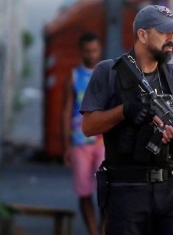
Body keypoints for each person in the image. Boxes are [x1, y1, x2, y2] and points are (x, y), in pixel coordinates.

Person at [80, 4, 173, 234]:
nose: (171, 39)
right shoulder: (108, 72)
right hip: (126, 190)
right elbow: (88, 126)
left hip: (172, 190)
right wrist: (124, 110)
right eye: (164, 32)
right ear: (142, 34)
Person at [61, 32, 105, 235]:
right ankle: (93, 232)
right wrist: (67, 145)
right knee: (84, 190)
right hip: (79, 142)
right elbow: (66, 110)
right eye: (87, 51)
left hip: (103, 142)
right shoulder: (73, 76)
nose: (91, 55)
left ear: (100, 50)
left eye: (94, 50)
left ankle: (104, 230)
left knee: (107, 190)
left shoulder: (107, 75)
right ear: (81, 51)